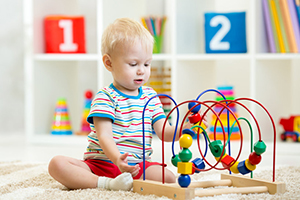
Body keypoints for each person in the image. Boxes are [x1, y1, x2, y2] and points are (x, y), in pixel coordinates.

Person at [48, 17, 206, 191]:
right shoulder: (105, 97)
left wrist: (186, 127)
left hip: (138, 166)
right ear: (109, 63)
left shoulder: (150, 97)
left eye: (147, 64)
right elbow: (105, 136)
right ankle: (105, 183)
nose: (141, 70)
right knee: (57, 164)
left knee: (168, 178)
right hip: (101, 164)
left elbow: (164, 132)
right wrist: (117, 159)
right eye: (133, 64)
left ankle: (126, 182)